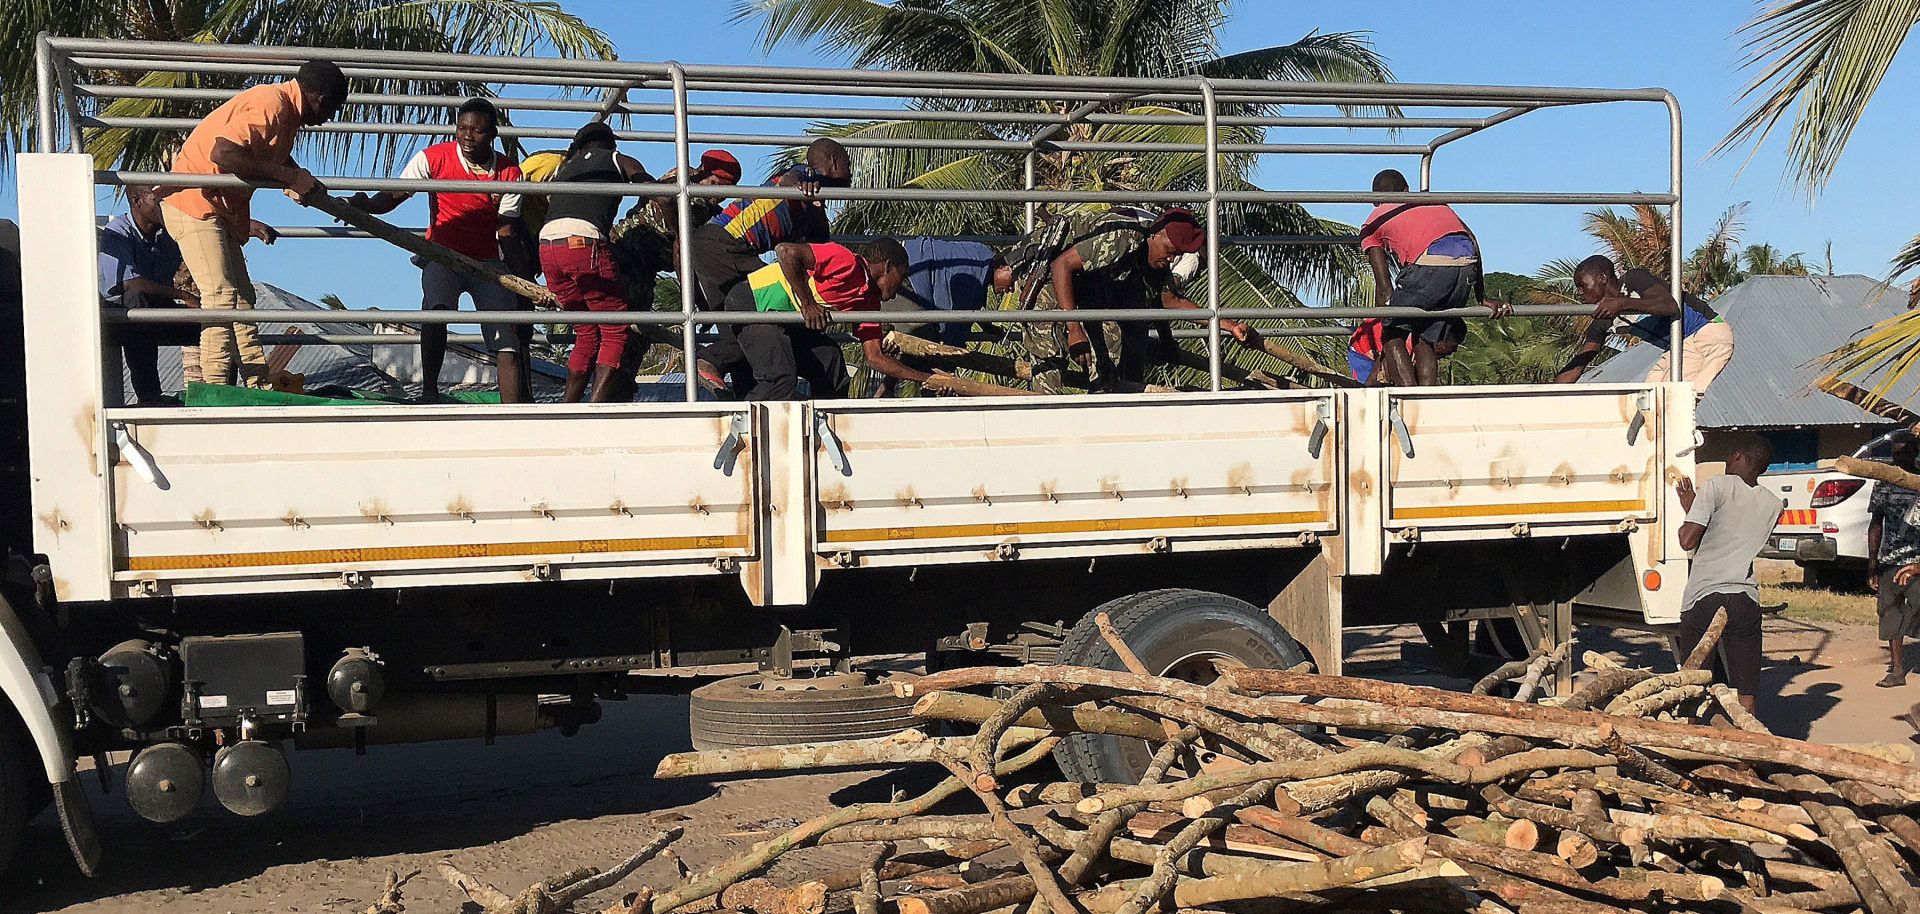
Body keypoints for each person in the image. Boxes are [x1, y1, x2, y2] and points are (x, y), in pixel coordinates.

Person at [160, 59, 347, 389]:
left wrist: (297, 180)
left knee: (243, 298)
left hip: (219, 207)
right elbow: (223, 154)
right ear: (319, 98)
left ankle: (257, 385)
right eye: (332, 108)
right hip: (194, 202)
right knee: (220, 295)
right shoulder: (272, 103)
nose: (330, 118)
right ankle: (214, 388)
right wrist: (290, 176)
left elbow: (267, 155)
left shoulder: (286, 113)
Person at [344, 98, 532, 403]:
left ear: (493, 134)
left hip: (487, 261)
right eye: (462, 128)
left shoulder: (510, 172)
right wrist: (364, 205)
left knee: (506, 338)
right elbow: (393, 196)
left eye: (477, 131)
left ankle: (511, 411)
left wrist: (524, 284)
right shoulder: (434, 158)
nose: (468, 137)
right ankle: (429, 393)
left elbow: (507, 231)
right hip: (442, 254)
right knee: (436, 312)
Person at [1022, 209, 1243, 394]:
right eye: (1169, 251)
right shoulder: (1124, 238)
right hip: (1050, 283)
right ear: (1155, 234)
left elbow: (1168, 301)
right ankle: (1045, 422)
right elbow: (1061, 265)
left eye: (1175, 256)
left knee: (1112, 348)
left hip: (1087, 292)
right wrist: (1074, 328)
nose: (1170, 259)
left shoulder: (1155, 262)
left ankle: (1103, 410)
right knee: (1049, 360)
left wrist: (1229, 326)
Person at [692, 139, 850, 394]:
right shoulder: (805, 173)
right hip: (723, 244)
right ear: (832, 162)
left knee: (748, 328)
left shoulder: (814, 214)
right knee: (764, 303)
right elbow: (789, 180)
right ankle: (711, 359)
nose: (851, 172)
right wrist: (801, 187)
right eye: (847, 164)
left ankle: (746, 394)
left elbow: (820, 252)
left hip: (722, 249)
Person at [721, 238, 928, 401]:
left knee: (830, 360)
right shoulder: (847, 262)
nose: (898, 288)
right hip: (753, 302)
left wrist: (927, 379)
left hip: (784, 322)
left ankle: (827, 427)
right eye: (901, 276)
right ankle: (736, 421)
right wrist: (808, 303)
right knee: (780, 376)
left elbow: (874, 357)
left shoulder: (869, 303)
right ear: (887, 267)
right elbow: (786, 251)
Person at [537, 122, 650, 402]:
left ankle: (567, 408)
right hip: (583, 243)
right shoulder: (616, 158)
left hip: (548, 247)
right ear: (611, 144)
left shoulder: (567, 167)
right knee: (614, 329)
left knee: (586, 331)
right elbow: (644, 181)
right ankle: (595, 409)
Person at [1673, 435, 1785, 716]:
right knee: (1746, 690)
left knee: (1693, 683)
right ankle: (1745, 755)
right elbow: (1733, 535)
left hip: (1704, 597)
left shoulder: (1717, 486)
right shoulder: (1773, 504)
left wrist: (1690, 511)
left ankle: (1691, 750)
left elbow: (1688, 540)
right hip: (1744, 598)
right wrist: (1697, 508)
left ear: (1737, 456)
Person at [1358, 169, 1485, 387]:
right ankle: (1428, 398)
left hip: (1430, 267)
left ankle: (1412, 396)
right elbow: (1471, 238)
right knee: (1425, 335)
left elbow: (1384, 288)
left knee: (1392, 334)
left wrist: (1384, 318)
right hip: (1467, 267)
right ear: (1407, 191)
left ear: (1374, 201)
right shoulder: (1433, 202)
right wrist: (1482, 296)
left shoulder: (1373, 222)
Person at [1553, 255, 1736, 392]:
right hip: (1679, 348)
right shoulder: (1603, 321)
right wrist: (1542, 396)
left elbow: (1670, 305)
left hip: (1705, 333)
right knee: (1647, 402)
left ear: (1602, 278)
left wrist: (1622, 303)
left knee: (1676, 400)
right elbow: (1579, 363)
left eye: (1582, 285)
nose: (1579, 293)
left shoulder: (1634, 279)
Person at [99, 186, 203, 405]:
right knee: (137, 301)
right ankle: (149, 397)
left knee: (214, 322)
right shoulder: (117, 231)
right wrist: (183, 295)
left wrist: (247, 225)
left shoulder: (168, 231)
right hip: (119, 316)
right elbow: (128, 283)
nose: (165, 204)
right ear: (136, 201)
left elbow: (207, 228)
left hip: (159, 307)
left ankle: (221, 390)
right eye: (158, 199)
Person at [1868, 438, 1920, 687]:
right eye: (1895, 453)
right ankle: (1897, 669)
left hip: (1918, 561)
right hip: (1890, 560)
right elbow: (1876, 523)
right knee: (1890, 612)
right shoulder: (1883, 483)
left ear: (1915, 453)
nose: (1899, 458)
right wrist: (1872, 563)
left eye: (1905, 452)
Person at [1347, 316, 1466, 386]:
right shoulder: (1409, 341)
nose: (1453, 351)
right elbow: (1385, 362)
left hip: (1383, 343)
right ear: (1440, 339)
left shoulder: (1421, 338)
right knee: (1373, 388)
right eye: (1452, 346)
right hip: (1362, 352)